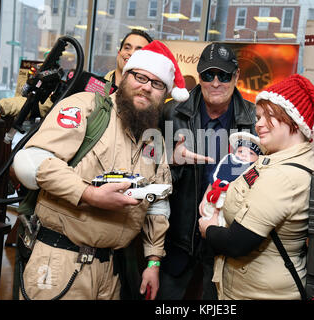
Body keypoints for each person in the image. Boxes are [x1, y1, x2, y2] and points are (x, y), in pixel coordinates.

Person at [11, 40, 189, 300]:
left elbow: (157, 204)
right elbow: (34, 161)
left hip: (110, 271)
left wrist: (153, 262)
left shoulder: (155, 140)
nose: (146, 87)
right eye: (140, 77)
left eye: (157, 83)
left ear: (164, 94)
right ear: (126, 75)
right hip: (59, 262)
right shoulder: (87, 108)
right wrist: (89, 194)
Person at [199, 74, 314, 300]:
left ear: (294, 121)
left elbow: (237, 243)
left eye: (268, 116)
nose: (258, 124)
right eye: (258, 116)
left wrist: (209, 228)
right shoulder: (277, 160)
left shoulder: (283, 175)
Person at [158, 43, 256, 300]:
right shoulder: (171, 113)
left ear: (236, 77)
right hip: (178, 238)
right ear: (199, 76)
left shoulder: (254, 120)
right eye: (208, 75)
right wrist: (171, 161)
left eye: (223, 75)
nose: (215, 83)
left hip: (226, 241)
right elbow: (148, 174)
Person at [0, 29, 152, 121]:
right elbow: (41, 104)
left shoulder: (148, 98)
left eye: (138, 50)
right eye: (127, 47)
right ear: (119, 53)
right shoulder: (88, 85)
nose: (130, 53)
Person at [200, 132, 262, 227]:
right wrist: (205, 199)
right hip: (213, 202)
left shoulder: (254, 171)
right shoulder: (227, 161)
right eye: (240, 151)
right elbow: (213, 181)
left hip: (233, 213)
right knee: (206, 220)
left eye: (251, 153)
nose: (244, 155)